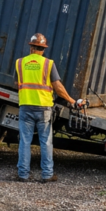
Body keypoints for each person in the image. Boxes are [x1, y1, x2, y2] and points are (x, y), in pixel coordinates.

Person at [14, 33, 77, 183]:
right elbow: (58, 87)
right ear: (43, 49)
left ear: (31, 47)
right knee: (46, 142)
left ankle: (23, 174)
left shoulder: (20, 63)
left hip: (26, 107)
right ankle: (47, 174)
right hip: (43, 109)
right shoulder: (48, 64)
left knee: (24, 141)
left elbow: (17, 84)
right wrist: (71, 100)